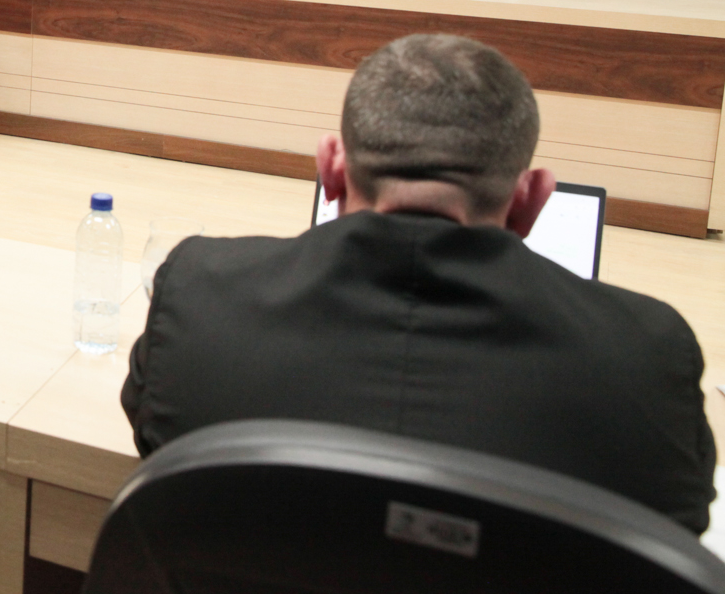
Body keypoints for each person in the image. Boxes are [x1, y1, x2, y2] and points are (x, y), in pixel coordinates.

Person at [121, 33, 715, 532]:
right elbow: (678, 528)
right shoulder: (647, 355)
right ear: (532, 201)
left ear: (330, 168)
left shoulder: (199, 296)